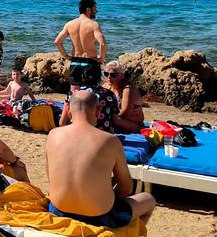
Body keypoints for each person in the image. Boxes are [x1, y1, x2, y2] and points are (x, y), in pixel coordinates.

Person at [45, 90, 155, 228]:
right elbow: (126, 188)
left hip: (58, 212)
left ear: (68, 110)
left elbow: (52, 177)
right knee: (148, 199)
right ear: (98, 110)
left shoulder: (53, 135)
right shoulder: (110, 141)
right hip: (99, 218)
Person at [54, 0, 107, 88]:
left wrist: (66, 56)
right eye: (95, 8)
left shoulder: (69, 24)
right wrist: (102, 58)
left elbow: (57, 42)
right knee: (91, 93)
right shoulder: (94, 24)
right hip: (90, 63)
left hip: (75, 62)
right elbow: (103, 44)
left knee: (75, 93)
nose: (96, 11)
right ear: (88, 9)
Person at [102, 60, 145, 133]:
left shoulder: (128, 89)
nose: (109, 77)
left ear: (122, 76)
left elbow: (124, 113)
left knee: (113, 119)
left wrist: (107, 116)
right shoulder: (106, 86)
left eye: (113, 75)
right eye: (106, 74)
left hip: (134, 124)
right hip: (116, 119)